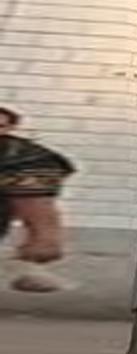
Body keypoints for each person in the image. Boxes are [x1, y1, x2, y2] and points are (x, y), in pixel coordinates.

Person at [0, 107, 75, 291]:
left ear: (9, 128)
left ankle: (35, 264)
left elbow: (39, 201)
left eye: (0, 126)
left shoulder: (24, 155)